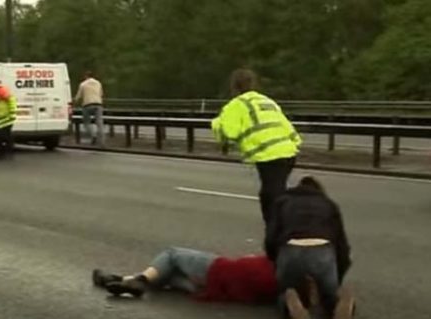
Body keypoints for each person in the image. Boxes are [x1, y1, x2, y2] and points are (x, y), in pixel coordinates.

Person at [211, 69, 302, 224]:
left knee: (271, 196)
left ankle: (280, 230)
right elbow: (285, 125)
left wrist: (216, 124)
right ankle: (282, 226)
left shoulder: (236, 105)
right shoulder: (267, 101)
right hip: (289, 152)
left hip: (268, 155)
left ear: (234, 87)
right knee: (274, 192)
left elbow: (229, 131)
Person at [264, 176, 354, 319]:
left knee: (286, 291)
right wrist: (338, 278)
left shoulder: (281, 202)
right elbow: (342, 246)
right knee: (328, 295)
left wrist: (275, 262)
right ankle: (337, 304)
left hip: (291, 248)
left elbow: (271, 238)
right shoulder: (329, 204)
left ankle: (292, 306)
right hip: (323, 249)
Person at [93, 247, 277, 303]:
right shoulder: (284, 285)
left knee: (172, 255)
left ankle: (139, 280)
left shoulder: (286, 261)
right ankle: (118, 280)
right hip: (223, 291)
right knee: (167, 275)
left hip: (218, 272)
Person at [74, 71, 104, 147]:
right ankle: (102, 141)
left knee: (86, 122)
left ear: (86, 76)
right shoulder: (98, 83)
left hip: (87, 105)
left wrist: (74, 102)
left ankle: (93, 135)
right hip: (98, 104)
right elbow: (101, 94)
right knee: (99, 122)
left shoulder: (83, 84)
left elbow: (78, 96)